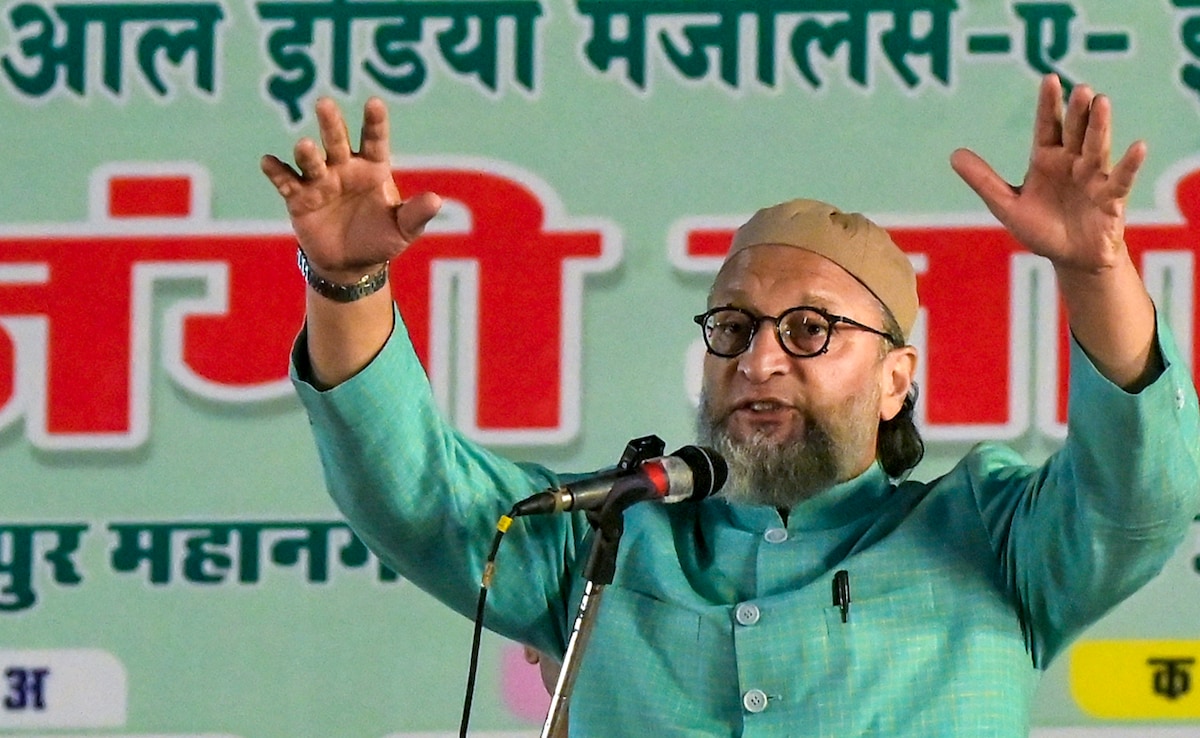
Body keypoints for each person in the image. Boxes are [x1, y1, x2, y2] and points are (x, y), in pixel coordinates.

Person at [261, 75, 1200, 736]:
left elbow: (1141, 493)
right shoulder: (611, 542)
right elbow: (414, 492)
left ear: (895, 378)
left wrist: (1094, 273)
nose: (758, 359)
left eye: (809, 330)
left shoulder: (992, 541)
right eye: (733, 327)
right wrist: (347, 285)